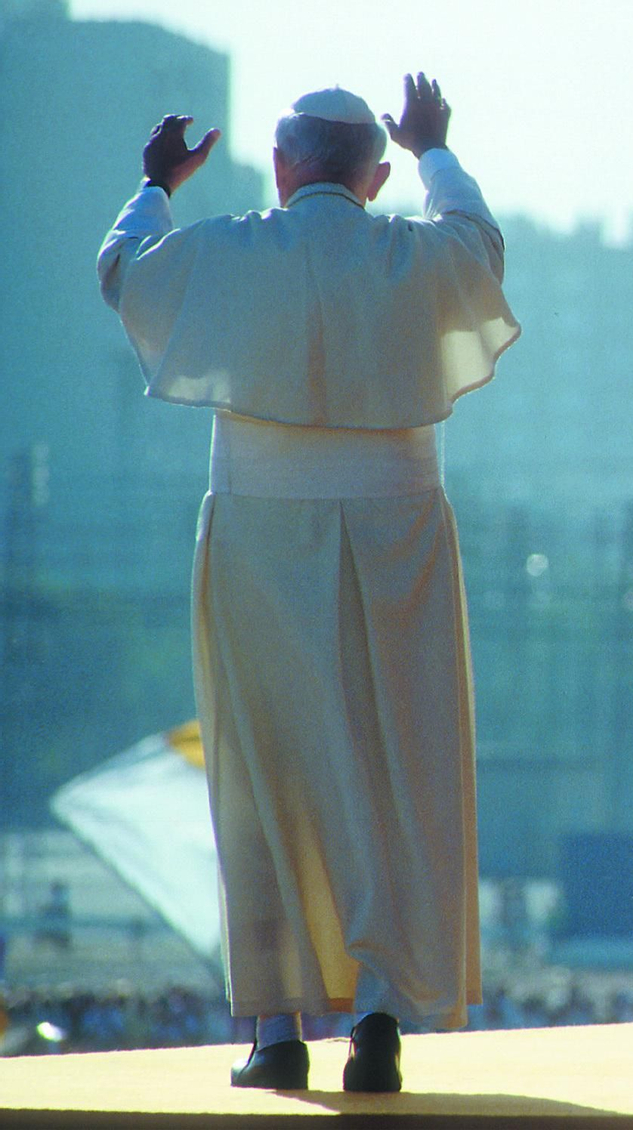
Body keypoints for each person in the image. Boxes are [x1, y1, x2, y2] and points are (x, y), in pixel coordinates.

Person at [98, 75, 519, 1092]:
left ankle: (278, 1024)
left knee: (265, 772)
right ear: (373, 177)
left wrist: (155, 184)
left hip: (260, 534)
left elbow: (121, 271)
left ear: (282, 170)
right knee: (394, 769)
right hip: (400, 534)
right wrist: (435, 151)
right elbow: (481, 244)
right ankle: (379, 1014)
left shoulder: (232, 247)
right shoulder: (417, 251)